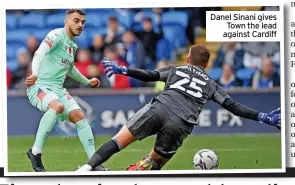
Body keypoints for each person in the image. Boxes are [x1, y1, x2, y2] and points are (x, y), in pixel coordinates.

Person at [77, 44, 281, 172]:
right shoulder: (211, 84)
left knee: (119, 139)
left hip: (160, 108)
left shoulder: (177, 69)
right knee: (155, 162)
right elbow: (233, 106)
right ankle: (134, 174)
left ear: (188, 59)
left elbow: (150, 75)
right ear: (207, 63)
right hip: (181, 123)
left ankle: (87, 167)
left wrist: (124, 69)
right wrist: (262, 116)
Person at [25, 9, 105, 172]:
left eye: (83, 22)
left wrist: (87, 81)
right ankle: (35, 152)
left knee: (80, 117)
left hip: (57, 89)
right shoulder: (55, 35)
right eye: (76, 20)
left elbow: (71, 69)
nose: (80, 25)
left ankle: (94, 162)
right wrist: (34, 73)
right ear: (66, 22)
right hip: (39, 85)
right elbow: (39, 53)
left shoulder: (72, 46)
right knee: (58, 106)